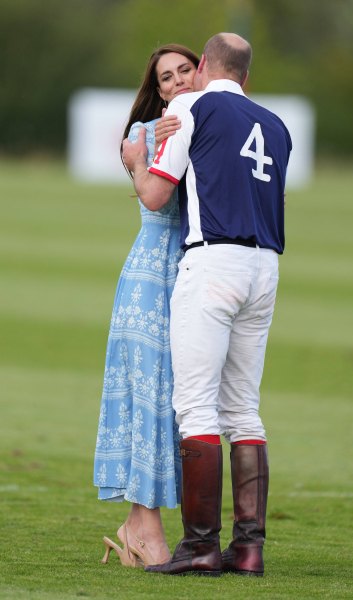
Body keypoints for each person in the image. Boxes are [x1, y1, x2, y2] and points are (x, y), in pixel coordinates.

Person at [122, 32, 292, 577]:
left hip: (213, 262)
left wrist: (133, 160)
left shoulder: (192, 106)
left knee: (195, 407)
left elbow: (155, 194)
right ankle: (248, 549)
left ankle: (199, 547)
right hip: (265, 267)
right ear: (247, 74)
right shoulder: (276, 124)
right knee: (243, 409)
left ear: (207, 65)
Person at [93, 43, 200, 568]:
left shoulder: (209, 126)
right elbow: (144, 185)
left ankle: (136, 525)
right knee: (150, 398)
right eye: (167, 77)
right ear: (156, 90)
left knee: (179, 402)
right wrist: (138, 160)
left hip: (195, 277)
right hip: (149, 278)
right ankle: (149, 531)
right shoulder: (144, 133)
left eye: (185, 71)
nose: (177, 81)